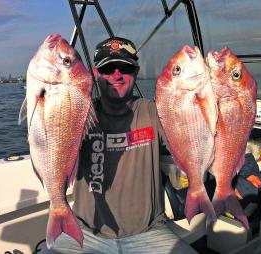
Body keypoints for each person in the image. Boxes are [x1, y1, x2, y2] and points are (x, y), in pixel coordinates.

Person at [42, 37, 198, 254]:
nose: (116, 75)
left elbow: (195, 130)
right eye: (108, 69)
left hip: (149, 232)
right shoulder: (77, 114)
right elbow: (49, 141)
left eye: (124, 67)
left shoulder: (156, 112)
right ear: (96, 73)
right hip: (86, 232)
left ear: (135, 71)